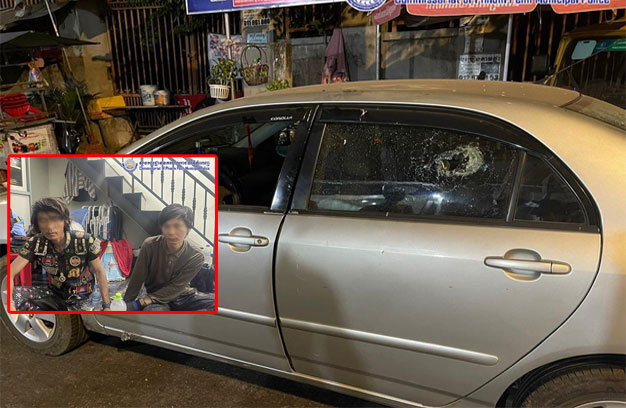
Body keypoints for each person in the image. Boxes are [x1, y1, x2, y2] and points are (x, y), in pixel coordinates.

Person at [9, 198, 110, 311]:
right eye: (43, 221)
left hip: (83, 298)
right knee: (15, 296)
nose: (50, 227)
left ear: (65, 220)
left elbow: (99, 271)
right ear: (37, 224)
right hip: (55, 295)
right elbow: (10, 272)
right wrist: (10, 304)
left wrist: (106, 306)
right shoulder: (36, 242)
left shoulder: (84, 240)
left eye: (55, 219)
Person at [123, 204, 214, 311]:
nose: (171, 232)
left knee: (216, 304)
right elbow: (137, 278)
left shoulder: (196, 255)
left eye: (177, 226)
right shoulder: (150, 245)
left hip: (183, 295)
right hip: (157, 298)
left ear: (188, 228)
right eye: (166, 226)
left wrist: (142, 302)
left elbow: (177, 286)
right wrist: (125, 305)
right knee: (153, 312)